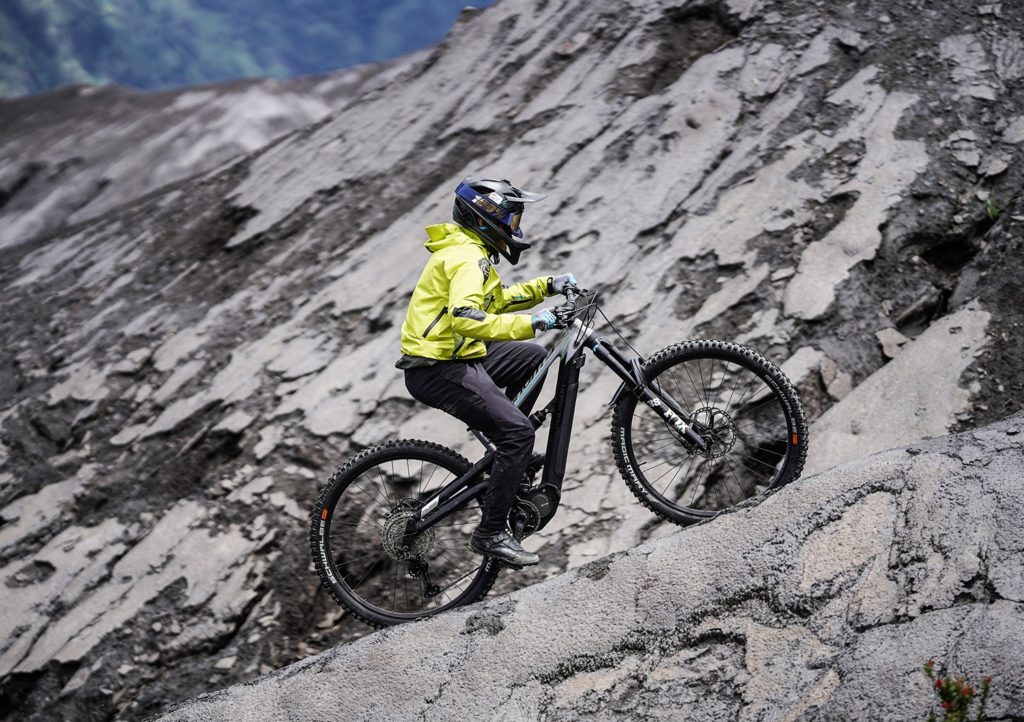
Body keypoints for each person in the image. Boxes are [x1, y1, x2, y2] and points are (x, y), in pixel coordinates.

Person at [395, 177, 577, 567]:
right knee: (518, 433)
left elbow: (495, 302)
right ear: (486, 218)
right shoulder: (465, 258)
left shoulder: (468, 251)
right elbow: (467, 318)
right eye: (512, 219)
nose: (516, 228)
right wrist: (538, 321)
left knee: (530, 358)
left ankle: (505, 451)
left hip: (457, 356)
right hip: (438, 367)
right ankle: (491, 534)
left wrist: (548, 286)